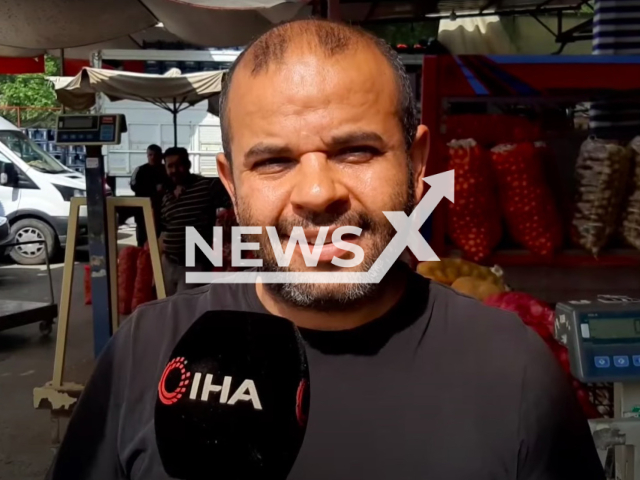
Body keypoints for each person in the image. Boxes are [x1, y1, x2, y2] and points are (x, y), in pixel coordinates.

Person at [46, 19, 604, 480]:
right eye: (273, 161)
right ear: (233, 185)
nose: (317, 195)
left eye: (356, 151)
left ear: (417, 166)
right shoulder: (146, 352)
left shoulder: (513, 369)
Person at [158, 146, 230, 296]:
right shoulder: (167, 197)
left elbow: (235, 201)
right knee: (168, 308)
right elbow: (164, 232)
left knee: (187, 310)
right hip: (168, 263)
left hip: (194, 263)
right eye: (169, 166)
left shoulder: (206, 186)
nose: (174, 170)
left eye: (178, 165)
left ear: (188, 165)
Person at [129, 144, 169, 247]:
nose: (153, 157)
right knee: (143, 241)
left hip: (163, 213)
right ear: (147, 156)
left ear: (161, 156)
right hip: (142, 213)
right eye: (150, 155)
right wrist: (153, 190)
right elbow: (134, 186)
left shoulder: (166, 170)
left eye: (155, 155)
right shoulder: (140, 170)